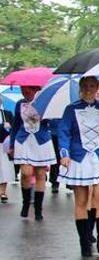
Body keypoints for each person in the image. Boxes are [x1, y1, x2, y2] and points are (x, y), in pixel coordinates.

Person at [58, 76, 99, 256]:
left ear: (98, 87)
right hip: (79, 158)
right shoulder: (71, 109)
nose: (89, 89)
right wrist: (64, 153)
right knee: (82, 201)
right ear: (81, 88)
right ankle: (84, 242)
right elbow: (64, 132)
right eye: (85, 86)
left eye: (92, 86)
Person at [10, 85, 56, 220]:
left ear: (35, 89)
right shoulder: (20, 104)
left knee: (41, 174)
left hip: (41, 141)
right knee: (26, 173)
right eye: (22, 89)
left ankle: (38, 208)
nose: (24, 92)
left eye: (26, 89)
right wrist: (12, 144)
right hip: (23, 141)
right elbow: (16, 124)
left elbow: (51, 123)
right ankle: (25, 202)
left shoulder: (45, 102)